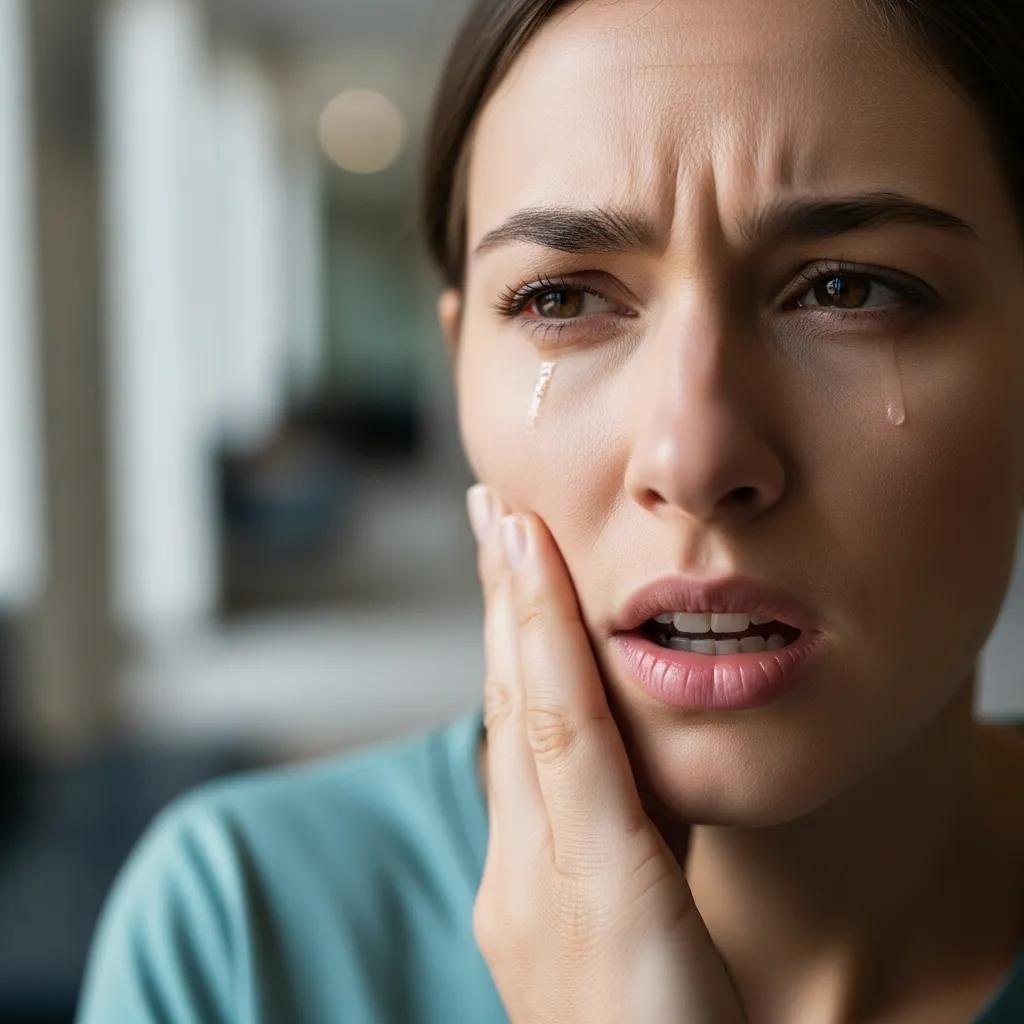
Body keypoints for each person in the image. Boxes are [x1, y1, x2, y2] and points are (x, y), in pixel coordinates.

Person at [76, 0, 1024, 1021]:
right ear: (460, 376)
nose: (692, 456)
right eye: (563, 300)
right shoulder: (236, 940)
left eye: (847, 290)